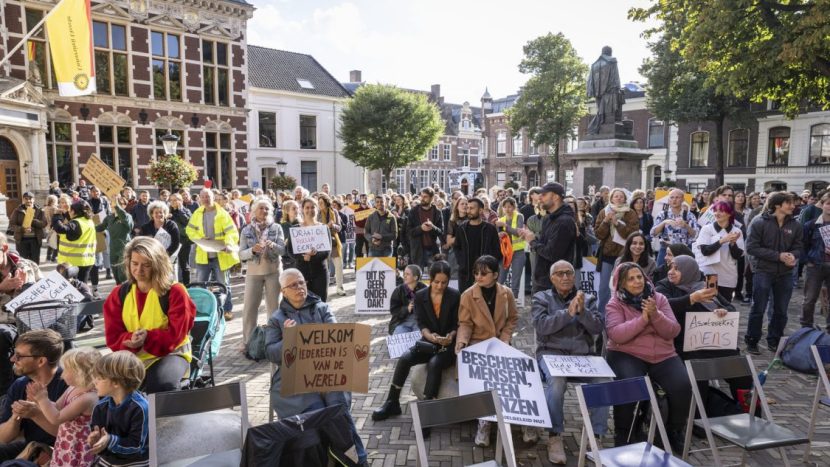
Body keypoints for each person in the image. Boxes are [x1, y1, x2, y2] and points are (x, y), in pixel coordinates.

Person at [264, 269, 368, 466]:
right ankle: (349, 456)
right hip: (294, 377)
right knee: (317, 409)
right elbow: (270, 353)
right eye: (293, 285)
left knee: (336, 404)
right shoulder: (277, 319)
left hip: (326, 370)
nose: (299, 288)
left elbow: (337, 338)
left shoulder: (322, 308)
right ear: (283, 291)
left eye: (301, 282)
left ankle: (351, 456)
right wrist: (289, 338)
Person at [605, 262, 690, 451]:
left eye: (639, 277)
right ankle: (623, 432)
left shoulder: (658, 299)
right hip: (627, 353)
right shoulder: (615, 303)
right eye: (631, 279)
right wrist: (643, 319)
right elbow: (617, 334)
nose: (637, 282)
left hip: (662, 354)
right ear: (621, 284)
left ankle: (673, 430)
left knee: (682, 384)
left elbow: (673, 330)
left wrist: (655, 315)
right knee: (630, 383)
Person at [532, 260, 608, 464]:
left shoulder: (588, 298)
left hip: (582, 356)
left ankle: (596, 434)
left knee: (603, 381)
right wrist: (567, 313)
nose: (565, 277)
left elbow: (597, 328)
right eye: (559, 274)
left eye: (568, 273)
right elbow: (541, 327)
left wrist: (582, 312)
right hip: (551, 354)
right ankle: (555, 435)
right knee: (556, 384)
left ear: (574, 276)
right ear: (551, 278)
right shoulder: (541, 297)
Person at [103, 237, 196, 393]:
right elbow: (112, 336)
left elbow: (176, 335)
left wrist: (148, 337)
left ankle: (166, 417)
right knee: (102, 384)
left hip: (171, 354)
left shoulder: (175, 292)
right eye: (135, 264)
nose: (139, 270)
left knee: (161, 384)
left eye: (146, 265)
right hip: (132, 355)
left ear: (158, 265)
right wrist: (129, 340)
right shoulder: (119, 293)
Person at [654, 256, 752, 404]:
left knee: (743, 375)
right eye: (671, 267)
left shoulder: (703, 286)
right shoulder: (664, 287)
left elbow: (730, 308)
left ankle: (749, 413)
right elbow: (664, 306)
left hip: (716, 344)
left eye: (677, 268)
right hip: (686, 348)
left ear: (689, 271)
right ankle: (696, 419)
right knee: (697, 382)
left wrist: (722, 311)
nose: (671, 272)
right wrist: (691, 299)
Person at [372, 261, 459, 425]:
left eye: (444, 282)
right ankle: (392, 401)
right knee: (405, 358)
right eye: (436, 282)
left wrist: (450, 335)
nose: (440, 286)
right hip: (427, 340)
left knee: (435, 363)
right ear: (430, 279)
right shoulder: (420, 296)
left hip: (448, 345)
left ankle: (427, 411)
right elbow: (421, 323)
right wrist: (429, 336)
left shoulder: (455, 296)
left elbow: (457, 323)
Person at [455, 256, 519, 448]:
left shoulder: (506, 293)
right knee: (485, 377)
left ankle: (523, 421)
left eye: (484, 273)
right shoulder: (467, 295)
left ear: (496, 275)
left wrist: (506, 337)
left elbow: (513, 319)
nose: (478, 276)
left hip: (500, 341)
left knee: (516, 375)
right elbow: (464, 323)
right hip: (477, 342)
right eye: (476, 273)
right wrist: (462, 342)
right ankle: (484, 424)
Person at [744, 192, 803, 354]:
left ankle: (775, 340)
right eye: (789, 203)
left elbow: (799, 247)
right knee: (758, 308)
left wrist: (793, 256)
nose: (793, 206)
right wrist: (779, 256)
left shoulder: (795, 225)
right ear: (777, 205)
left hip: (785, 273)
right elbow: (751, 248)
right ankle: (752, 340)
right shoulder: (758, 222)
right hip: (763, 271)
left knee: (781, 310)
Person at [0, 330, 68, 460]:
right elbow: (3, 439)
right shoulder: (20, 385)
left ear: (41, 361)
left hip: (65, 452)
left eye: (19, 356)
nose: (12, 359)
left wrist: (35, 414)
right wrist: (15, 418)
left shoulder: (69, 384)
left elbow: (74, 436)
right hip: (33, 447)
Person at [30, 347, 100, 467]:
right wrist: (38, 401)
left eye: (66, 370)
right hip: (66, 443)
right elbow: (56, 407)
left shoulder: (88, 398)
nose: (62, 374)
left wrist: (43, 400)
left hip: (78, 447)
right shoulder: (72, 388)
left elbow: (56, 418)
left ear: (80, 373)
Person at [88, 351, 149, 467]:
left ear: (116, 383)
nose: (94, 381)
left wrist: (110, 440)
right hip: (108, 461)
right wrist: (95, 440)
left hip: (136, 463)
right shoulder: (100, 407)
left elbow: (136, 446)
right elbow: (99, 435)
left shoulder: (140, 408)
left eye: (99, 378)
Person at [239, 198, 284, 354]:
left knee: (274, 308)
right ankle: (247, 343)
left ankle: (274, 341)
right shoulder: (246, 230)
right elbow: (241, 255)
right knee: (250, 308)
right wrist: (252, 250)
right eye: (261, 208)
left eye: (267, 209)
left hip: (273, 272)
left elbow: (282, 250)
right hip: (253, 273)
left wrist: (273, 245)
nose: (264, 211)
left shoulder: (276, 227)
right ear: (254, 211)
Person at [186, 188, 239, 319]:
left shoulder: (222, 213)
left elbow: (232, 232)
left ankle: (227, 310)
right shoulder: (197, 214)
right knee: (201, 285)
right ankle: (203, 310)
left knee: (224, 284)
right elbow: (190, 231)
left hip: (220, 255)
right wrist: (201, 238)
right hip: (203, 256)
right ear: (199, 198)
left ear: (213, 198)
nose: (205, 199)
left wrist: (228, 243)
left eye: (208, 196)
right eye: (203, 196)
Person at [519, 182, 576, 295]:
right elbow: (546, 245)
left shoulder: (564, 221)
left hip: (555, 283)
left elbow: (553, 254)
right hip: (543, 279)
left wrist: (533, 241)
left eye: (544, 194)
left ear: (555, 197)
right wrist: (533, 237)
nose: (539, 198)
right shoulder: (548, 218)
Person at [594, 188, 640, 316]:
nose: (619, 198)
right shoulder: (604, 212)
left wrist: (617, 224)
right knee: (604, 288)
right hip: (607, 255)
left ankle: (625, 314)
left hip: (624, 255)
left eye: (621, 197)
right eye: (616, 196)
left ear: (625, 199)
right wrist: (605, 222)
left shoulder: (630, 213)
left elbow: (632, 233)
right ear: (611, 198)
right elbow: (598, 234)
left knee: (624, 286)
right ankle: (602, 315)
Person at [692, 201, 745, 302]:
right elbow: (705, 251)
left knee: (725, 307)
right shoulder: (707, 229)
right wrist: (722, 240)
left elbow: (737, 256)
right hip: (708, 274)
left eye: (721, 211)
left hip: (727, 276)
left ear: (729, 213)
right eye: (715, 211)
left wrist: (732, 243)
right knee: (708, 306)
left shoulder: (737, 231)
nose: (717, 213)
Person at [455, 198, 502, 293]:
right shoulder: (462, 228)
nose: (468, 211)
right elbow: (457, 247)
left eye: (472, 208)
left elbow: (497, 251)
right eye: (467, 208)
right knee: (466, 303)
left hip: (485, 275)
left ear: (480, 210)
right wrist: (462, 262)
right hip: (466, 274)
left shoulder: (490, 229)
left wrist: (489, 267)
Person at [292, 198, 331, 301]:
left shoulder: (323, 228)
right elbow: (290, 251)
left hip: (320, 272)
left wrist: (312, 257)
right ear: (302, 209)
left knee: (320, 302)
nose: (310, 210)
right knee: (302, 302)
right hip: (301, 271)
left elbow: (327, 251)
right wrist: (303, 257)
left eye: (313, 207)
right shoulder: (296, 228)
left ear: (317, 209)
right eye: (307, 207)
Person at [801, 191, 830, 330]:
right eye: (828, 204)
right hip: (815, 265)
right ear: (822, 205)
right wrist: (808, 261)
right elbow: (802, 245)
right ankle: (806, 327)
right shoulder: (811, 225)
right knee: (809, 299)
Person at [51, 200, 97, 285]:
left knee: (73, 290)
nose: (69, 212)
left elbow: (60, 229)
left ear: (74, 211)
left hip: (73, 263)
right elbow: (72, 227)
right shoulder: (88, 221)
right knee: (82, 287)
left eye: (70, 210)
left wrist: (57, 215)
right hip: (87, 261)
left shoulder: (76, 223)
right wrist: (65, 214)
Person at [651, 189, 698, 267]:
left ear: (683, 199)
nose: (674, 200)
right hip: (666, 249)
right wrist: (664, 222)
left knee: (684, 275)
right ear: (668, 200)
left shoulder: (689, 215)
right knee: (660, 274)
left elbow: (696, 235)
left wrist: (686, 226)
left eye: (677, 197)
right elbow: (653, 233)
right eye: (672, 197)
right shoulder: (662, 215)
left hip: (683, 250)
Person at [97, 195, 133, 285]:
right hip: (113, 247)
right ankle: (118, 289)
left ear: (124, 205)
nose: (113, 205)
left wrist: (117, 205)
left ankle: (125, 289)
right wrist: (87, 226)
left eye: (120, 204)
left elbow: (127, 223)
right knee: (115, 271)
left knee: (123, 272)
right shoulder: (109, 217)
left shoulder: (127, 216)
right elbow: (100, 227)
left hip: (124, 247)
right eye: (111, 204)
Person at [496, 197, 526, 299]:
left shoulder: (519, 217)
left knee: (515, 280)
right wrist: (499, 234)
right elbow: (498, 236)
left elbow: (518, 233)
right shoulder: (500, 220)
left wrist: (505, 226)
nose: (507, 209)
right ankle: (498, 300)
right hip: (505, 252)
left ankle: (514, 303)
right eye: (505, 207)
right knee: (501, 278)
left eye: (509, 206)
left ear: (514, 207)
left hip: (518, 251)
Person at [407, 188, 444, 268]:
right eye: (421, 196)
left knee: (433, 276)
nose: (422, 199)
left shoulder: (437, 212)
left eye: (425, 197)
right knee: (418, 276)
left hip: (433, 249)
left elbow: (441, 231)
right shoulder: (413, 211)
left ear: (431, 198)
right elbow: (409, 231)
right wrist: (421, 228)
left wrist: (432, 227)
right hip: (418, 249)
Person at [317, 194, 345, 296]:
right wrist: (325, 227)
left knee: (339, 265)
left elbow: (339, 227)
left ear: (326, 202)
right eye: (318, 203)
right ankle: (325, 288)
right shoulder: (317, 213)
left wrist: (332, 225)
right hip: (321, 242)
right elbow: (315, 228)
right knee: (324, 266)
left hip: (333, 241)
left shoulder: (334, 212)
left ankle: (340, 287)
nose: (319, 205)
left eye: (321, 203)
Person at [10, 192, 47, 265]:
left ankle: (35, 276)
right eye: (26, 199)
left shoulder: (40, 210)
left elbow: (44, 223)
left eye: (30, 198)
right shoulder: (17, 210)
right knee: (23, 262)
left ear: (34, 199)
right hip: (22, 240)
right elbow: (12, 225)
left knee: (35, 262)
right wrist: (22, 229)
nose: (28, 200)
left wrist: (32, 220)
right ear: (23, 200)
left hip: (35, 240)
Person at [388, 264, 427, 335]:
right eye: (404, 273)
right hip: (402, 322)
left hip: (419, 322)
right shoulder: (399, 290)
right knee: (398, 340)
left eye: (407, 274)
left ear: (415, 277)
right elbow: (393, 310)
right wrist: (406, 309)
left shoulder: (424, 289)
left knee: (419, 341)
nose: (404, 276)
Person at [169, 194, 193, 286]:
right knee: (171, 264)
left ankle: (187, 286)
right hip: (172, 241)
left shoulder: (186, 210)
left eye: (176, 200)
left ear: (181, 201)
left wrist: (180, 210)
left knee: (185, 265)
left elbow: (187, 221)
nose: (174, 202)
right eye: (172, 200)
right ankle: (173, 285)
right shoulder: (168, 211)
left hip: (184, 241)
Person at [279, 200, 301, 271]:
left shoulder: (302, 225)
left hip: (299, 260)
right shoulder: (281, 226)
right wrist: (285, 243)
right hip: (286, 260)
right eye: (294, 208)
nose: (297, 210)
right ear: (287, 211)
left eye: (297, 208)